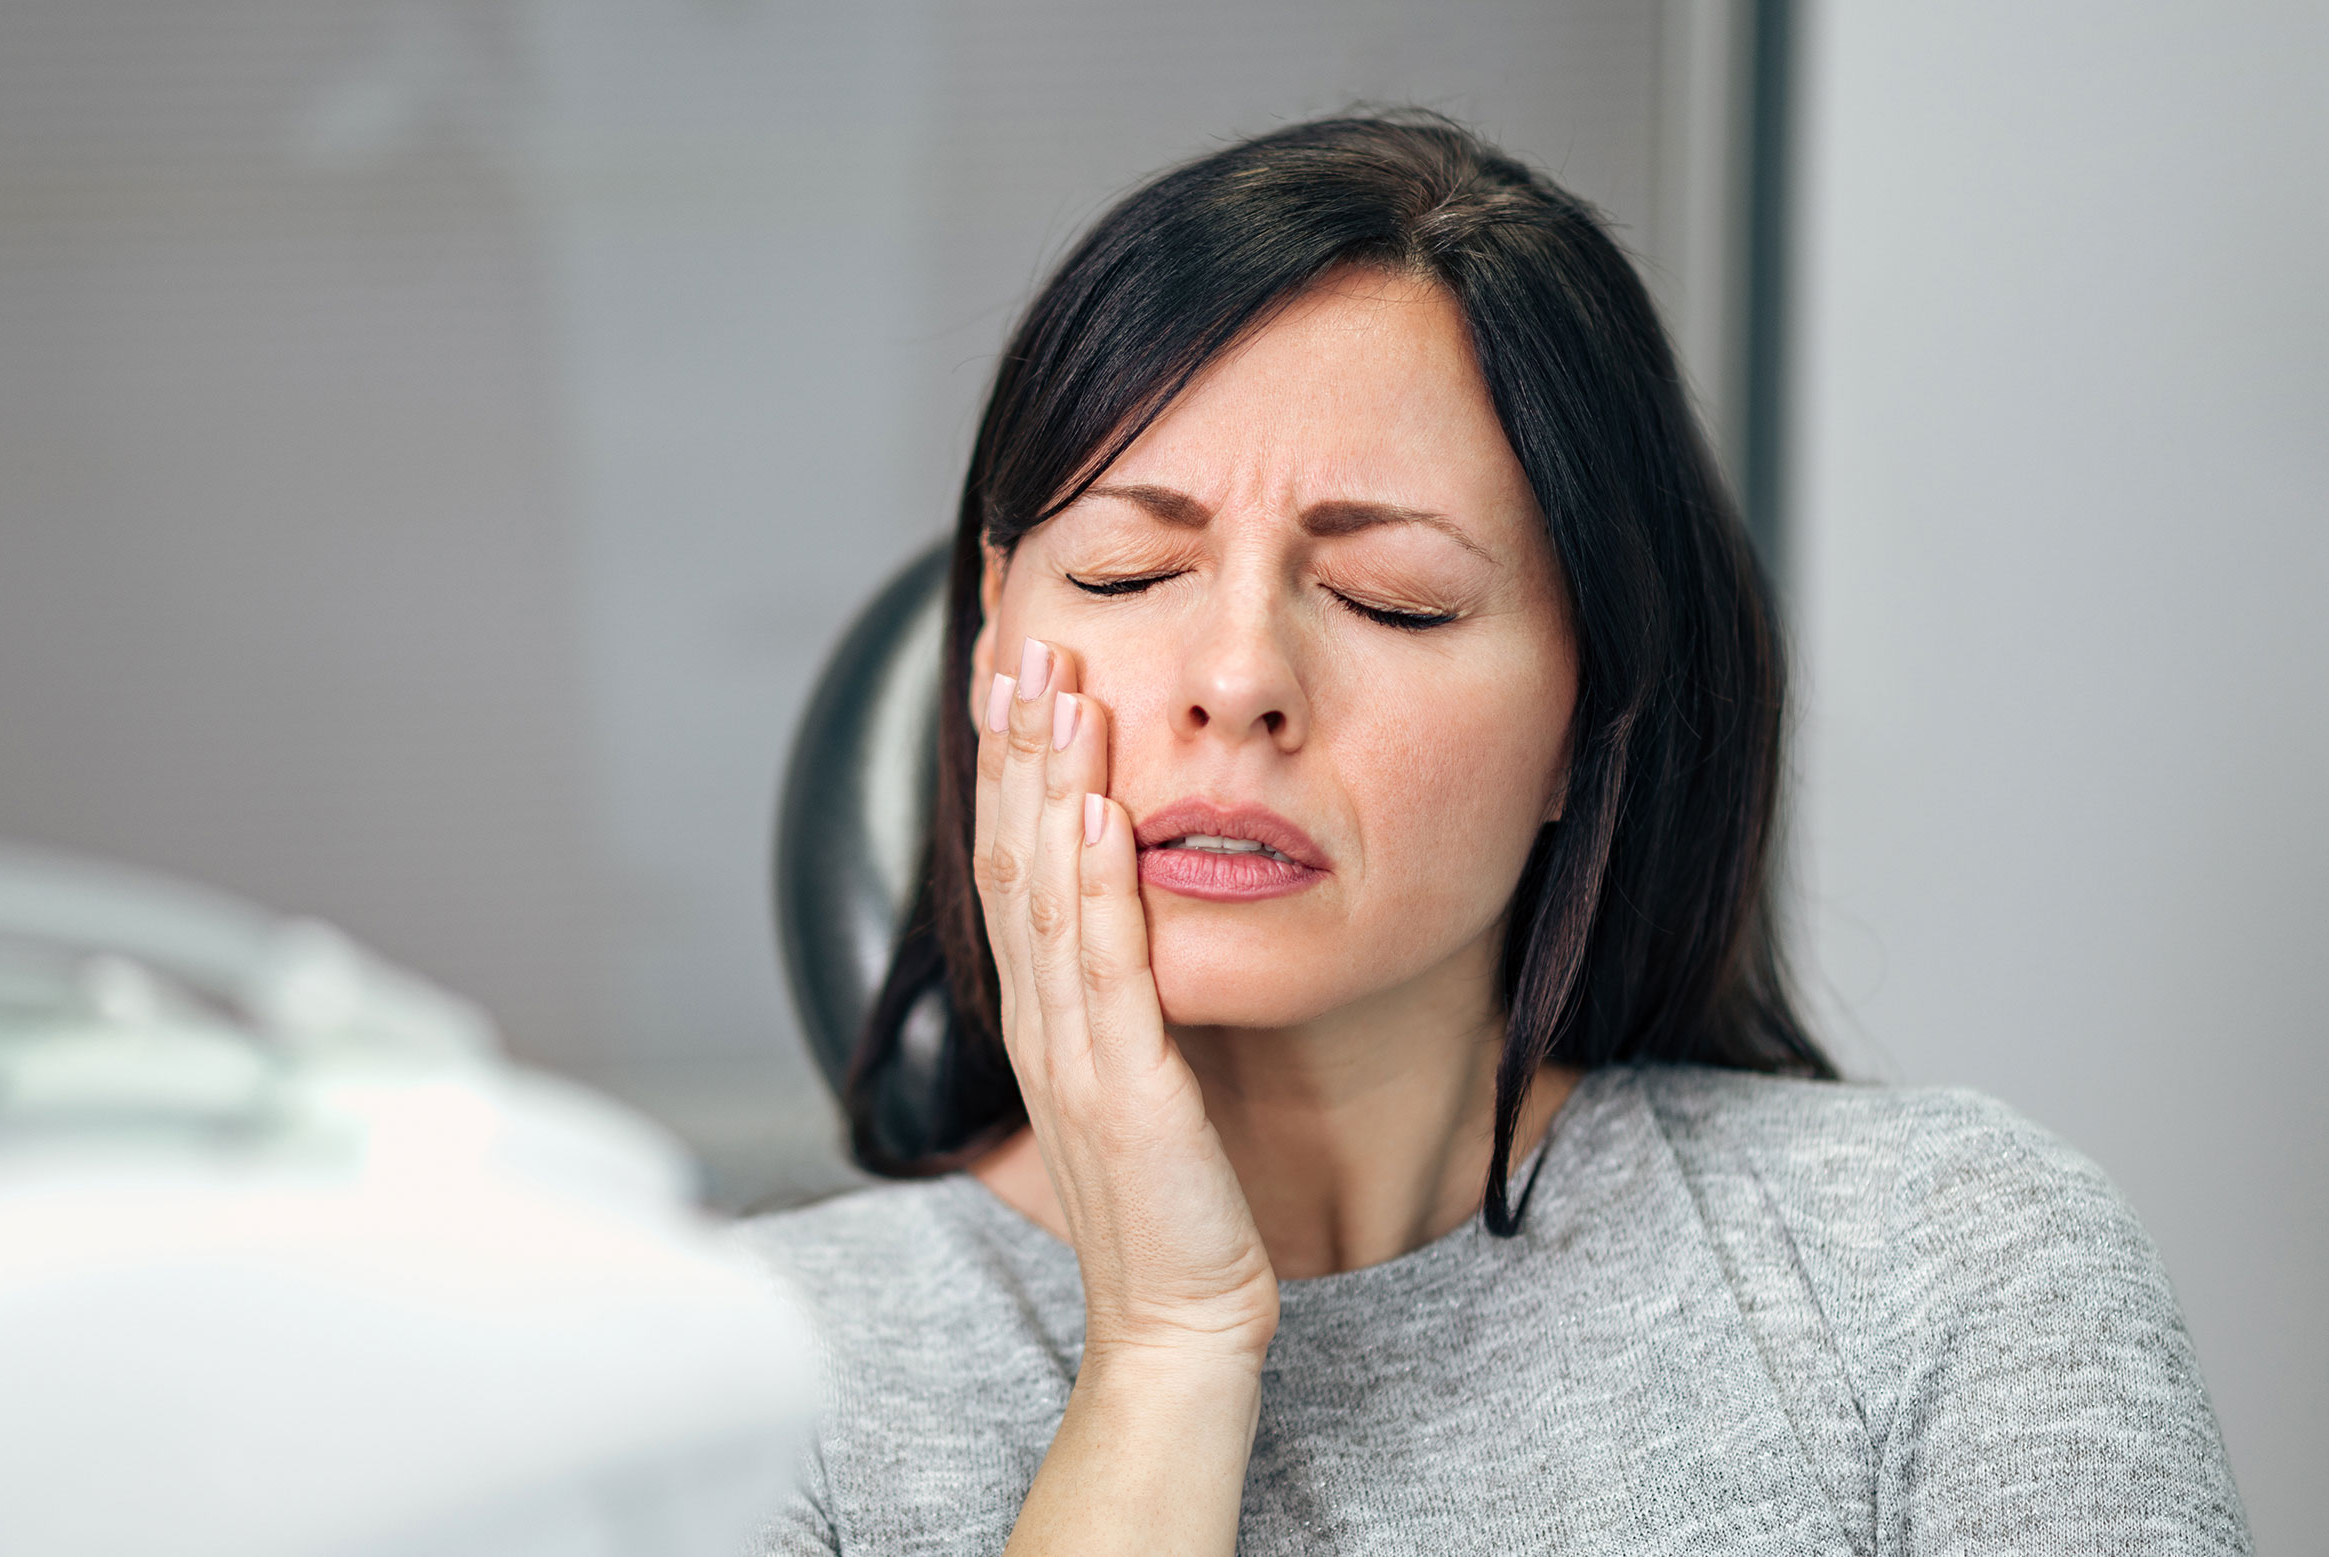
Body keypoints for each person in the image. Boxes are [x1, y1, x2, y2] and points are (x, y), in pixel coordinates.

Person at [742, 114, 2247, 1556]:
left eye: (1393, 598)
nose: (1236, 682)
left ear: (1585, 716)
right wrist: (1161, 1354)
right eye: (1131, 571)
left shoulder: (1945, 1267)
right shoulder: (736, 1386)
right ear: (994, 626)